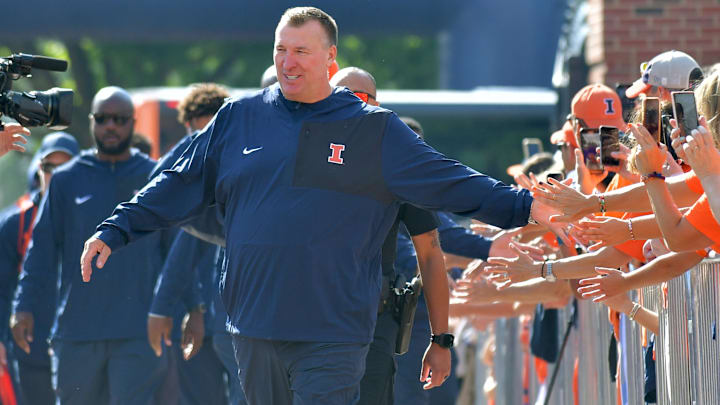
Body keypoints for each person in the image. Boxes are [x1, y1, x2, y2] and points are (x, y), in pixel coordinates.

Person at [81, 7, 561, 404]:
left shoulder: (373, 129)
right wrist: (115, 229)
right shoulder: (238, 119)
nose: (289, 63)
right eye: (281, 50)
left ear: (330, 59)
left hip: (334, 329)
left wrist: (527, 206)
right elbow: (177, 183)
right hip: (253, 324)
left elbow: (447, 178)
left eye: (301, 52)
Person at [11, 87, 170, 405]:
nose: (111, 125)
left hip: (138, 332)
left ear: (133, 123)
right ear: (92, 122)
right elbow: (40, 250)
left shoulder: (155, 177)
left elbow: (175, 249)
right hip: (77, 332)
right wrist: (22, 306)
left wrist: (188, 307)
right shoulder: (67, 180)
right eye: (103, 118)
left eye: (120, 119)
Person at [331, 67, 451, 404]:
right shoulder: (302, 150)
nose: (347, 106)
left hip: (373, 323)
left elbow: (429, 252)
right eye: (337, 97)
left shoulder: (397, 164)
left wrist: (441, 339)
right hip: (308, 322)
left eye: (358, 98)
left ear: (376, 105)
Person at [147, 82, 246, 405]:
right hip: (199, 311)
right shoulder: (188, 175)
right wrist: (191, 306)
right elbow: (178, 250)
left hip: (227, 312)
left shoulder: (233, 168)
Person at [0, 132, 78, 405]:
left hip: (81, 346)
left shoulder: (93, 215)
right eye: (48, 167)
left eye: (65, 167)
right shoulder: (14, 223)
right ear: (37, 169)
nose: (55, 175)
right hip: (28, 346)